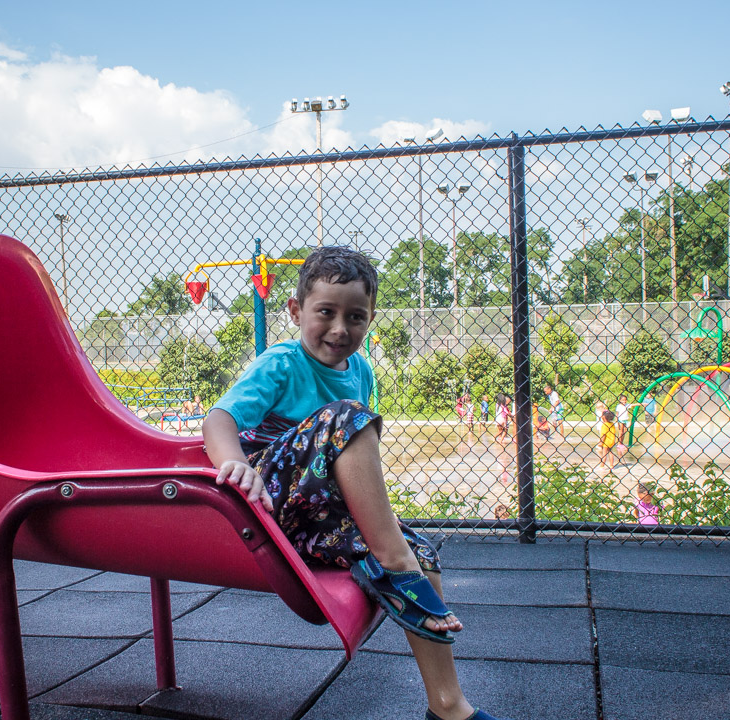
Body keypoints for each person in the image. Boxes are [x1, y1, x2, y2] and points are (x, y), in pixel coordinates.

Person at [201, 248, 507, 720]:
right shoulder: (281, 363)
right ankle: (390, 559)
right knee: (349, 419)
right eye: (326, 312)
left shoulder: (360, 370)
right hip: (266, 500)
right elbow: (218, 419)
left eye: (355, 317)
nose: (340, 329)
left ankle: (448, 705)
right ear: (296, 310)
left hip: (315, 516)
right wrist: (235, 464)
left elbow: (345, 463)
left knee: (422, 551)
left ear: (370, 320)